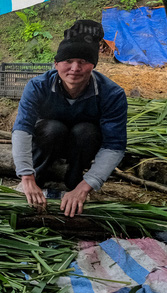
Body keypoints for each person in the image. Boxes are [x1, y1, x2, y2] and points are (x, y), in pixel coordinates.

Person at [11, 19, 127, 217]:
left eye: (83, 62)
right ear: (56, 64)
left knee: (86, 131)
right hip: (48, 141)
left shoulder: (112, 94)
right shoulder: (38, 86)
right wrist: (26, 177)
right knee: (52, 128)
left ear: (93, 65)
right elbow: (22, 129)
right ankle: (39, 177)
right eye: (68, 61)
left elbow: (114, 145)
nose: (75, 68)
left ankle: (74, 180)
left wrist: (85, 187)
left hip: (83, 145)